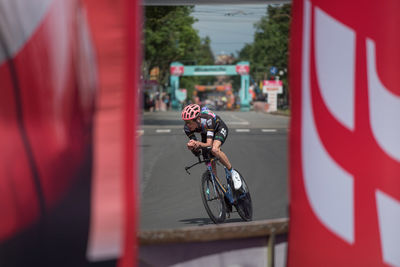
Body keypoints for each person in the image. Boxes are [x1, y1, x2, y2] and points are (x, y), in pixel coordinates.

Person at [181, 104, 242, 190]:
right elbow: (198, 150)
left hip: (218, 128)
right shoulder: (187, 128)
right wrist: (193, 148)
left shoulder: (207, 119)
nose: (187, 125)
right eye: (185, 122)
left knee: (214, 149)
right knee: (209, 162)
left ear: (197, 120)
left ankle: (233, 173)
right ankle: (219, 188)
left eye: (189, 123)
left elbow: (209, 144)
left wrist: (198, 143)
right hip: (206, 132)